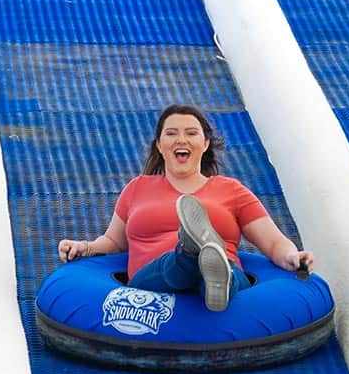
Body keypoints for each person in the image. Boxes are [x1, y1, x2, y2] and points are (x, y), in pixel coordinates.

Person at [58, 104, 314, 311]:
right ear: (159, 145)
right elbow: (114, 241)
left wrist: (293, 257)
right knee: (177, 265)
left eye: (191, 133)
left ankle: (215, 274)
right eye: (171, 133)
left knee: (217, 271)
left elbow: (273, 242)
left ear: (204, 144)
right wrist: (85, 247)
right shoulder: (138, 188)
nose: (182, 139)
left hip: (223, 270)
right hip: (153, 279)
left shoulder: (232, 190)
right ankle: (192, 252)